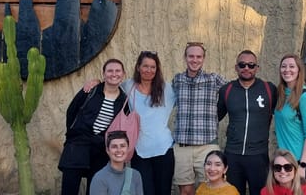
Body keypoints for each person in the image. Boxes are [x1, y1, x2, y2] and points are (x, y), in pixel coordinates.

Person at [59, 59, 129, 195]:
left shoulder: (123, 101)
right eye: (110, 71)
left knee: (95, 190)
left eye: (117, 71)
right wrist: (74, 134)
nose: (113, 74)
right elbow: (71, 111)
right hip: (78, 145)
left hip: (100, 148)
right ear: (104, 74)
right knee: (69, 189)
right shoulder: (91, 91)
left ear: (123, 74)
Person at [217, 50, 277, 195]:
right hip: (232, 155)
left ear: (257, 68)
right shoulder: (227, 90)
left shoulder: (269, 89)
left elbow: (284, 115)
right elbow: (214, 118)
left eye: (251, 65)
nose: (246, 68)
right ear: (236, 67)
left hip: (259, 156)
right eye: (242, 64)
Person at [173, 42, 228, 195]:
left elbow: (235, 91)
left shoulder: (214, 79)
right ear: (185, 58)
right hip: (182, 146)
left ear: (203, 59)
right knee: (185, 190)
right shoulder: (177, 80)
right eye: (191, 56)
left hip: (207, 145)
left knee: (212, 188)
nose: (194, 60)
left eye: (199, 56)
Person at [123, 51, 176, 195]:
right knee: (145, 191)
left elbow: (189, 95)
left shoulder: (168, 89)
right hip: (139, 151)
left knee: (163, 191)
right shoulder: (128, 86)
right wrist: (95, 82)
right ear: (138, 67)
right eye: (145, 66)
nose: (149, 70)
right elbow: (109, 86)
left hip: (164, 149)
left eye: (153, 67)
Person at [273, 54, 306, 182]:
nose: (287, 70)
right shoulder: (281, 94)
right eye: (283, 66)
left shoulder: (305, 97)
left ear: (299, 71)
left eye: (292, 66)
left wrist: (303, 165)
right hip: (284, 159)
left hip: (300, 159)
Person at [90, 130, 144, 195]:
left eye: (122, 146)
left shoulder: (135, 175)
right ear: (107, 150)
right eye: (114, 146)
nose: (119, 150)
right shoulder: (99, 178)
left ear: (128, 148)